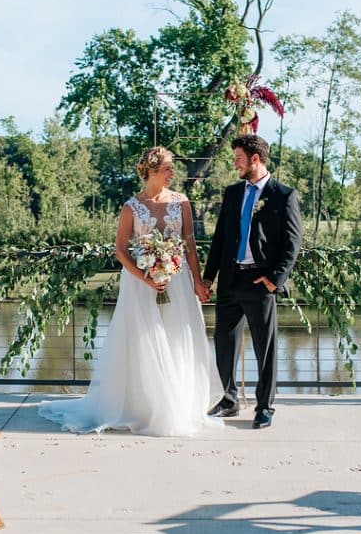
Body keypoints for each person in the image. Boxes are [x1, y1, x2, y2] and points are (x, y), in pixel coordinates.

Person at [39, 147, 223, 436]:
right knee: (144, 342)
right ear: (152, 171)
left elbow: (189, 246)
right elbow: (121, 251)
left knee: (177, 338)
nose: (172, 173)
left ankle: (178, 406)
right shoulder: (131, 207)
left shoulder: (182, 202)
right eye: (167, 168)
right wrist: (146, 279)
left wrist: (198, 282)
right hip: (140, 285)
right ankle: (144, 408)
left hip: (178, 283)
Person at [202, 134, 302, 429]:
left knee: (264, 348)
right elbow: (220, 239)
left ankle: (265, 407)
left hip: (260, 282)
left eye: (239, 159)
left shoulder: (283, 195)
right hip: (230, 279)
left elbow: (293, 244)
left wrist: (274, 279)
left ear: (255, 159)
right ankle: (228, 400)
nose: (235, 163)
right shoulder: (233, 193)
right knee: (224, 342)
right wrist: (208, 278)